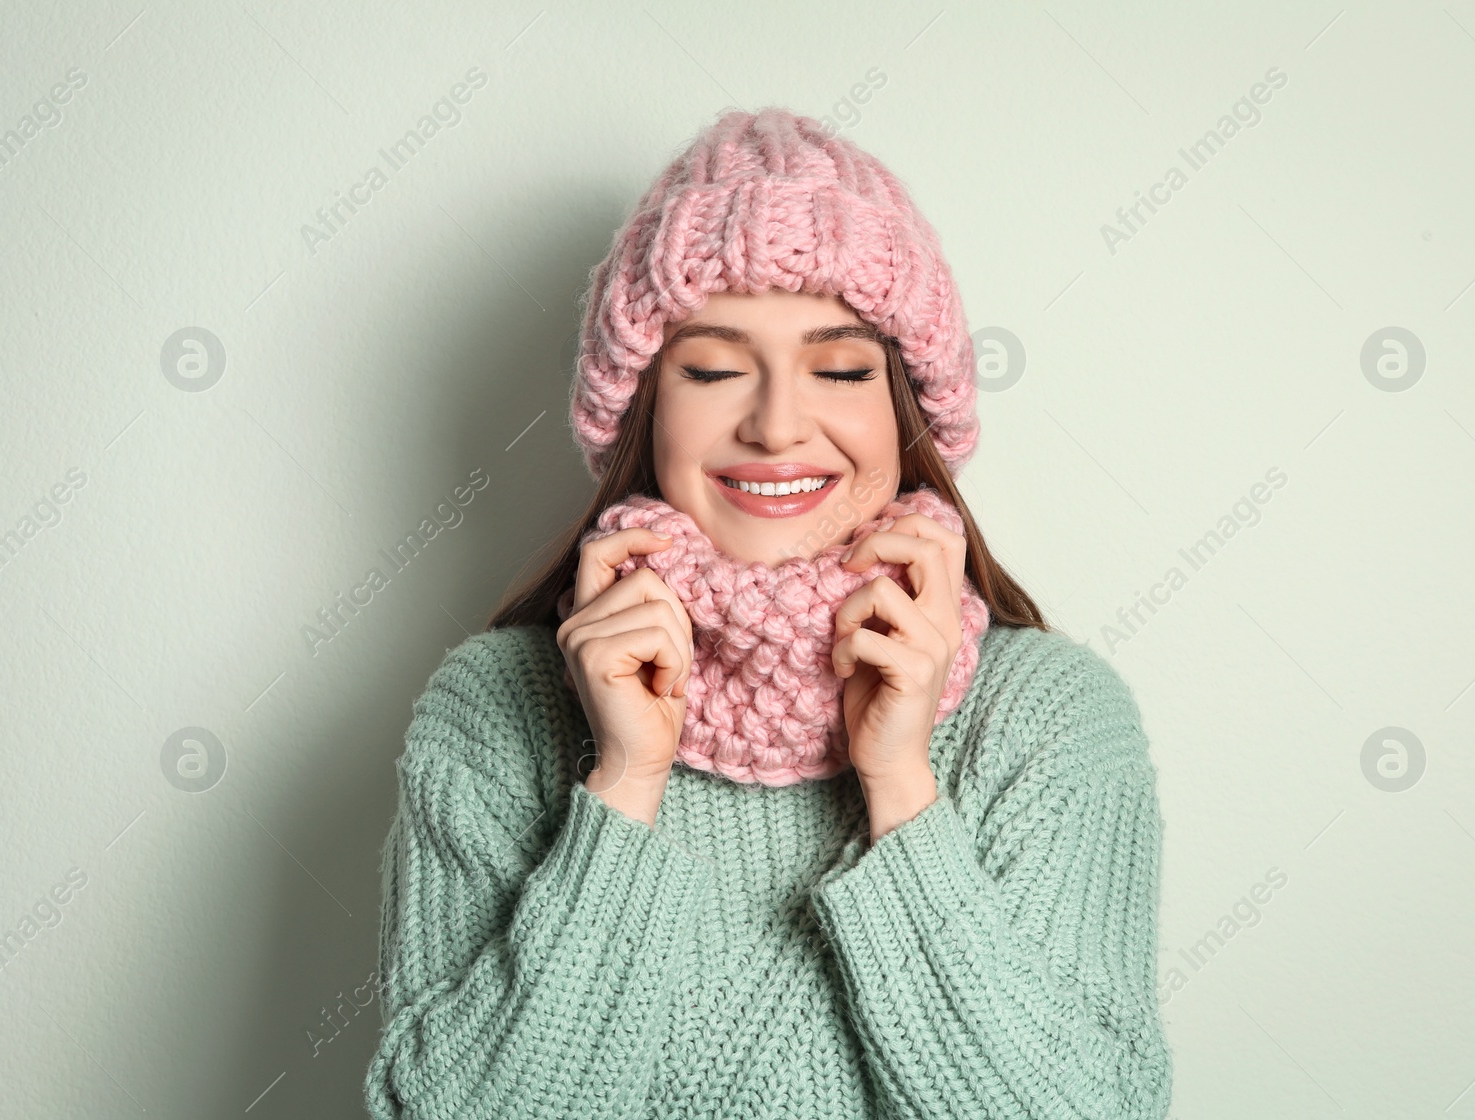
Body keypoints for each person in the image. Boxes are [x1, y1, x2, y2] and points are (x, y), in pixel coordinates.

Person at [363, 106, 1172, 1119]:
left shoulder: (1053, 719)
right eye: (712, 366)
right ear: (644, 406)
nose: (777, 423)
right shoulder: (492, 709)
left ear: (907, 408)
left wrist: (901, 789)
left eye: (839, 368)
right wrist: (623, 786)